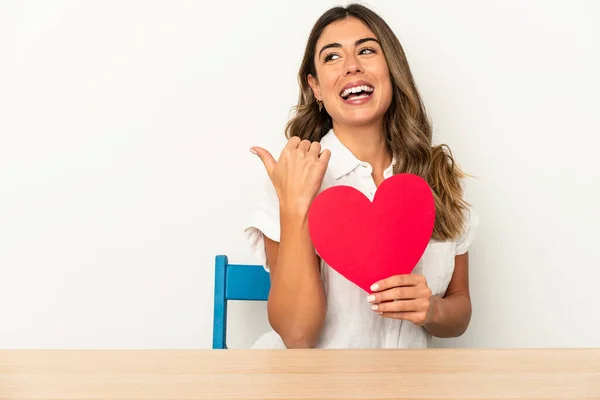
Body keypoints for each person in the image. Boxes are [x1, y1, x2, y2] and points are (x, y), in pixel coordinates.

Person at [245, 3, 478, 349]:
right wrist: (295, 208)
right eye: (332, 57)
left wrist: (432, 311)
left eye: (367, 50)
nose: (352, 66)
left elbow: (459, 310)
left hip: (408, 387)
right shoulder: (293, 176)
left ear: (392, 70)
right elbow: (297, 335)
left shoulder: (437, 175)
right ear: (316, 87)